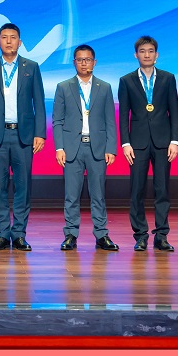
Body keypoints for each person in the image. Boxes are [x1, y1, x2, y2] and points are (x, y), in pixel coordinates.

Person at [0, 23, 46, 251]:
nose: (8, 41)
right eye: (4, 37)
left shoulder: (31, 67)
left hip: (23, 135)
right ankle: (2, 233)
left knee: (23, 186)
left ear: (20, 42)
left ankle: (19, 233)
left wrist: (40, 133)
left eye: (13, 37)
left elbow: (39, 102)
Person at [52, 44, 118, 252]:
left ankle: (102, 234)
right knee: (71, 195)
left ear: (94, 62)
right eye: (80, 60)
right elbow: (57, 121)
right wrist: (59, 147)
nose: (84, 63)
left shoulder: (104, 87)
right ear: (74, 62)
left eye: (87, 59)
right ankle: (70, 234)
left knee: (98, 195)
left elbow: (110, 121)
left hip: (97, 147)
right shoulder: (64, 87)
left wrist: (111, 148)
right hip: (73, 148)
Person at [118, 36, 178, 252]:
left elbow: (175, 111)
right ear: (136, 55)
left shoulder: (168, 78)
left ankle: (161, 235)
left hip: (163, 142)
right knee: (137, 190)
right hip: (137, 143)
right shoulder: (126, 80)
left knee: (162, 190)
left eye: (151, 51)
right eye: (142, 51)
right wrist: (125, 143)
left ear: (157, 55)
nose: (147, 55)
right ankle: (140, 235)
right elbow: (123, 115)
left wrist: (175, 140)